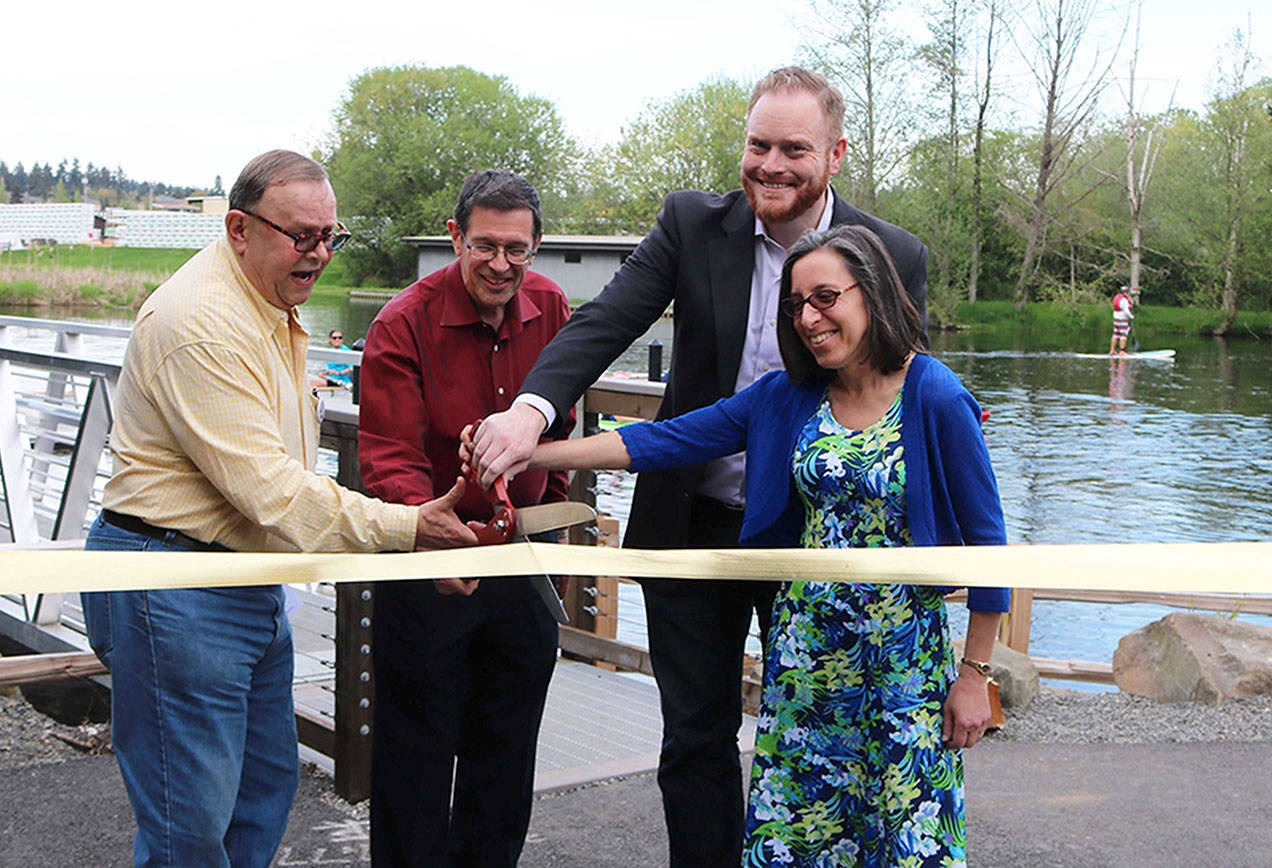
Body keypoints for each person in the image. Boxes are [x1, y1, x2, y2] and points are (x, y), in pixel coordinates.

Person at [468, 65, 930, 866]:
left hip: (810, 541)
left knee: (823, 745)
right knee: (695, 737)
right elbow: (606, 321)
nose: (772, 165)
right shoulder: (690, 224)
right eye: (758, 145)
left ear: (836, 155)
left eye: (795, 148)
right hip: (690, 533)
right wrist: (529, 413)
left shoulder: (888, 253)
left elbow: (906, 403)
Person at [476, 224, 1007, 866]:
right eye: (797, 305)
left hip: (903, 672)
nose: (809, 318)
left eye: (826, 298)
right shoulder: (787, 396)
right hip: (807, 664)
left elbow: (988, 545)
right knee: (799, 840)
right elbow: (659, 442)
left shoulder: (936, 395)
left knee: (903, 842)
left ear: (871, 293)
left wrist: (974, 674)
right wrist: (526, 451)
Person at [79, 149, 479, 868]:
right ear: (238, 228)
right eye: (302, 236)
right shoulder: (200, 322)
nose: (320, 254)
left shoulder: (265, 299)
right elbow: (269, 488)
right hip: (171, 585)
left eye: (332, 236)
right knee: (187, 824)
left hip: (243, 578)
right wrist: (409, 528)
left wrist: (408, 534)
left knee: (264, 789)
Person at [357, 170, 575, 867]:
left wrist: (547, 507)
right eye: (485, 246)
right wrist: (429, 536)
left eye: (518, 249)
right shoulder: (403, 321)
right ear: (456, 238)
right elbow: (389, 454)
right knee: (413, 765)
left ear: (536, 246)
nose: (501, 265)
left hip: (517, 561)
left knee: (505, 764)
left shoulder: (552, 306)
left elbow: (565, 419)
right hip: (431, 564)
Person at [1110, 286, 1134, 355]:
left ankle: (1112, 350)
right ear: (1125, 292)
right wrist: (1131, 317)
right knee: (1123, 335)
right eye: (1128, 292)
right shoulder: (1124, 300)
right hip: (1122, 319)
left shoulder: (1117, 297)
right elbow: (1126, 311)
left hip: (1116, 319)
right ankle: (1122, 351)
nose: (1129, 294)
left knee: (1116, 334)